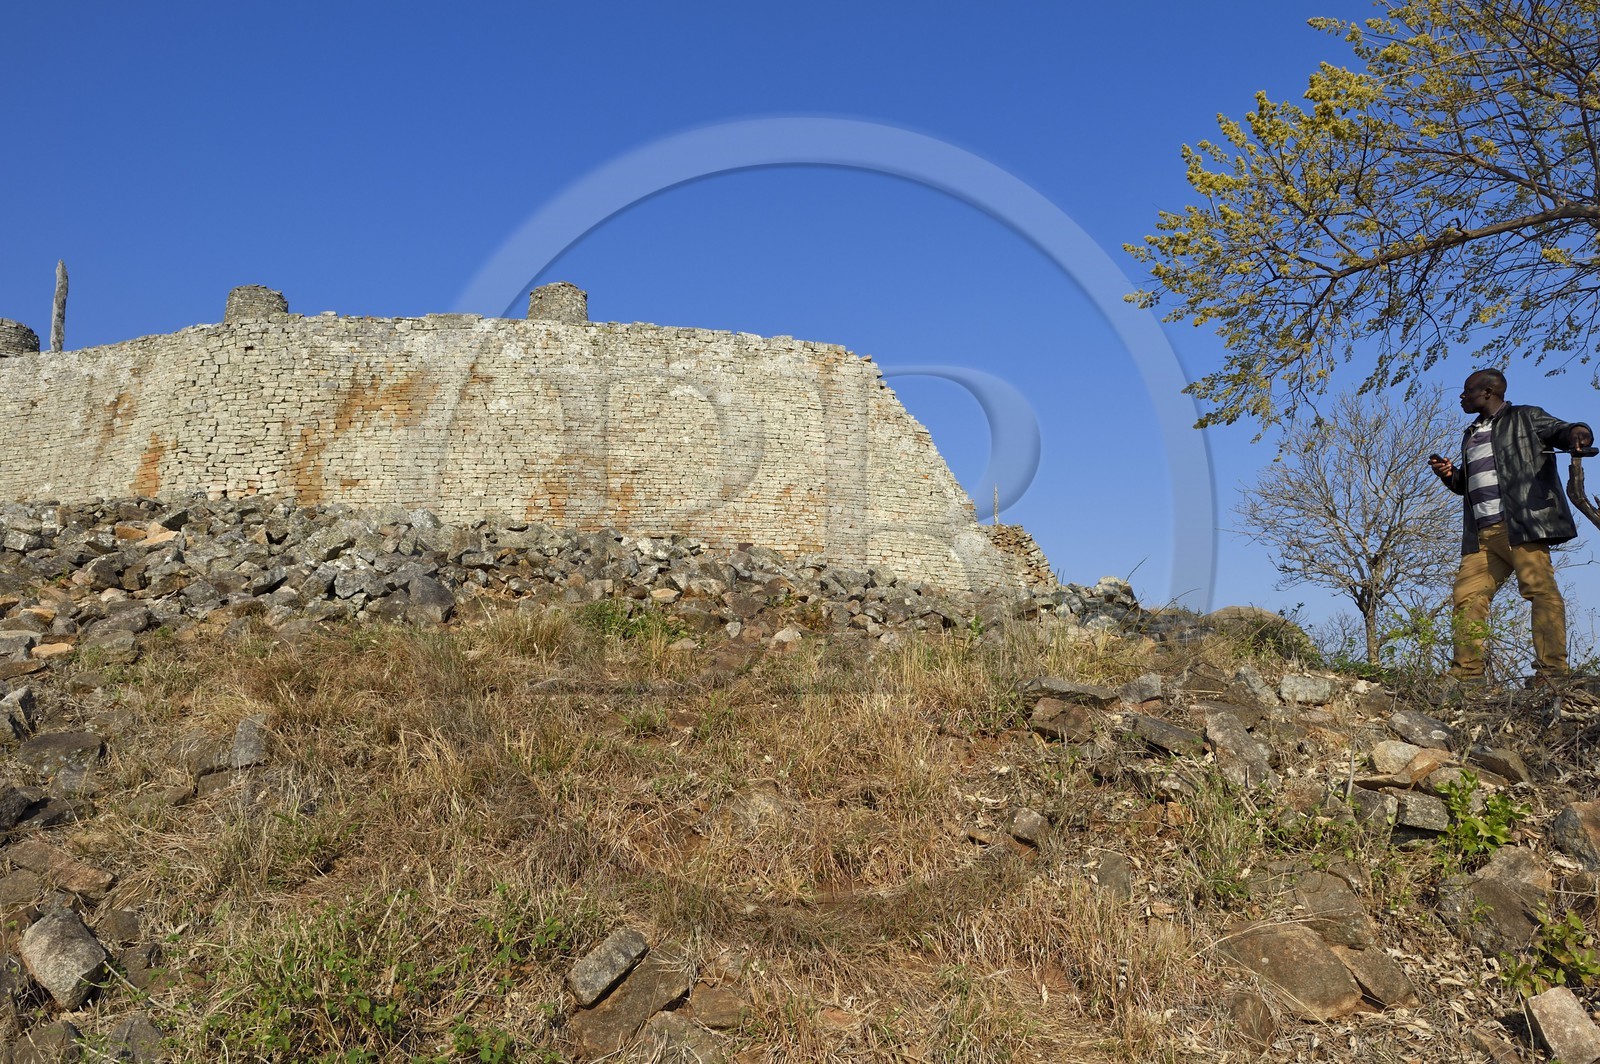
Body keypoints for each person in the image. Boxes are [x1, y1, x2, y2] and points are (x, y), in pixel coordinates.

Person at [1428, 369, 1593, 684]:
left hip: (1519, 524)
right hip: (1480, 533)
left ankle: (1552, 672)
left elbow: (1562, 429)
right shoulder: (1472, 433)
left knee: (1540, 591)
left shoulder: (1525, 417)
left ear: (1488, 392)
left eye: (1467, 391)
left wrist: (1580, 432)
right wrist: (1450, 475)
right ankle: (1468, 676)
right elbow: (1469, 485)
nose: (1462, 396)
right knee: (1467, 598)